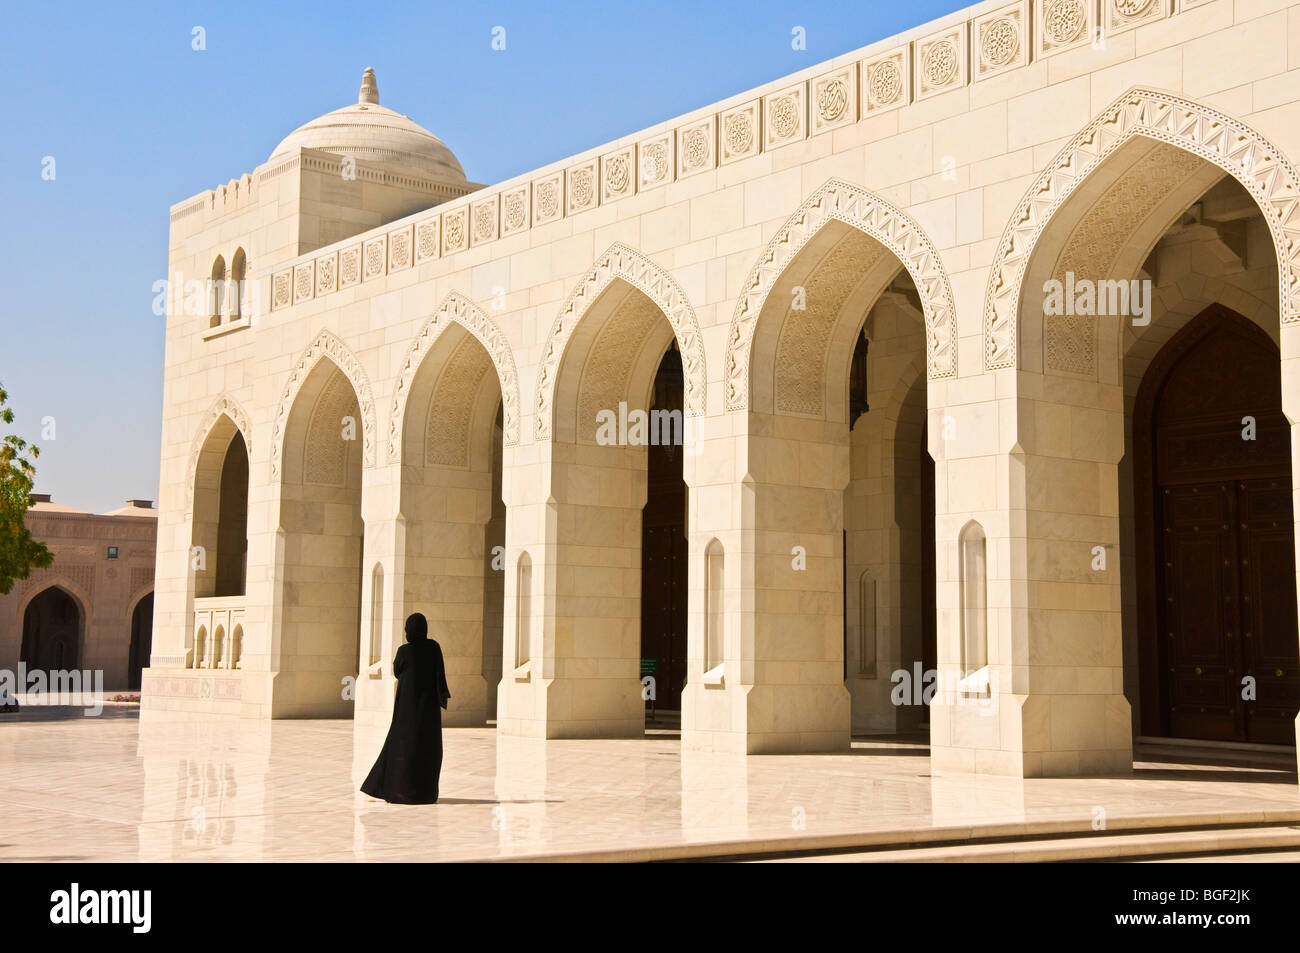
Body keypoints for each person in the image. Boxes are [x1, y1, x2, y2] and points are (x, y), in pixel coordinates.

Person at [360, 612, 450, 804]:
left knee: (402, 748)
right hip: (428, 712)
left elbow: (397, 670)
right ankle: (425, 793)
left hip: (406, 711)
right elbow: (440, 673)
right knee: (427, 750)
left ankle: (400, 791)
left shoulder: (404, 651)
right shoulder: (434, 648)